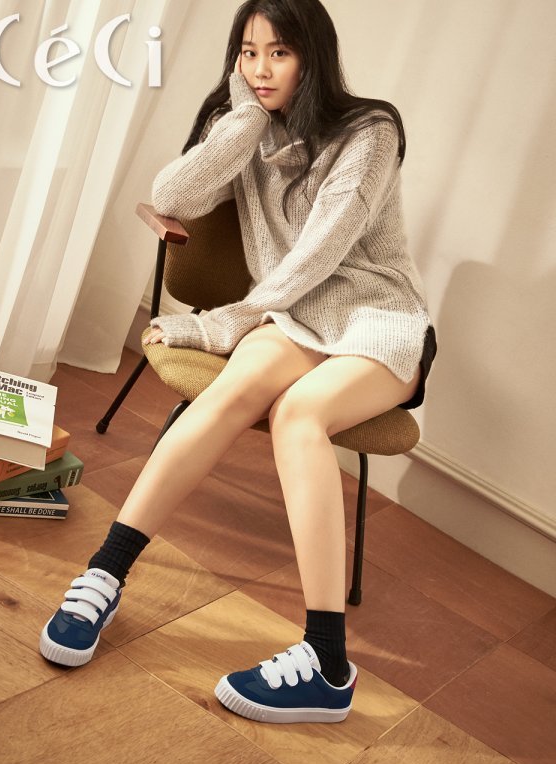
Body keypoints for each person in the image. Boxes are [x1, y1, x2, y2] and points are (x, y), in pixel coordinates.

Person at [40, 0, 436, 725]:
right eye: (248, 53)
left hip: (375, 322)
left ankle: (328, 664)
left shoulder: (369, 130)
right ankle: (105, 573)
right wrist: (243, 121)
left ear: (313, 55)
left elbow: (321, 250)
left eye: (278, 52)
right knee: (223, 395)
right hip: (290, 317)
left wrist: (225, 321)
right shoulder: (246, 125)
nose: (260, 69)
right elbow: (172, 196)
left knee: (298, 416)